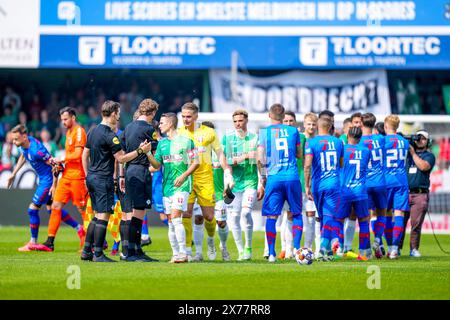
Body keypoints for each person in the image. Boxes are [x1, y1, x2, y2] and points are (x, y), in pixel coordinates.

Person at [81, 100, 152, 262]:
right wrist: (140, 150)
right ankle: (98, 254)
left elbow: (85, 155)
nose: (119, 117)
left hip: (91, 177)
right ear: (113, 114)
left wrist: (87, 174)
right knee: (104, 215)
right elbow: (121, 158)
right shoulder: (109, 135)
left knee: (96, 215)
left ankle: (87, 251)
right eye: (118, 114)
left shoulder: (92, 131)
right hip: (103, 178)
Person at [7, 125, 82, 251]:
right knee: (52, 210)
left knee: (32, 209)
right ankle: (79, 229)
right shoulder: (25, 144)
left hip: (47, 182)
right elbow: (23, 155)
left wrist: (54, 185)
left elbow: (55, 165)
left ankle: (33, 242)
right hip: (44, 180)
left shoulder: (37, 151)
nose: (14, 142)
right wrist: (13, 174)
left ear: (24, 137)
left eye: (16, 139)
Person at [178, 102, 234, 262]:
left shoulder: (208, 132)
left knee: (209, 217)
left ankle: (210, 240)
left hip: (205, 179)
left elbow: (220, 153)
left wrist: (227, 171)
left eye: (188, 116)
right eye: (183, 116)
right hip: (187, 178)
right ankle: (187, 251)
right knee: (186, 213)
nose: (185, 119)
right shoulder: (179, 133)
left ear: (196, 116)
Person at [257, 103, 303, 263]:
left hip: (274, 178)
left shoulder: (264, 132)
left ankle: (271, 253)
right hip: (292, 177)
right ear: (284, 117)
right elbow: (299, 154)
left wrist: (263, 179)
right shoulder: (293, 131)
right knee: (296, 213)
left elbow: (260, 158)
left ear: (269, 115)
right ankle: (297, 249)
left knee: (271, 216)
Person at [152, 113, 199, 263]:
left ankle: (184, 253)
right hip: (167, 188)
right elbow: (157, 165)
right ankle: (175, 253)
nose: (159, 125)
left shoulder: (187, 142)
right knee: (171, 222)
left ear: (171, 124)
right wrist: (146, 153)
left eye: (162, 122)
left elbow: (196, 162)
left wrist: (184, 175)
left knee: (176, 218)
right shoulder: (162, 144)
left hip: (183, 186)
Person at [40, 107, 88, 252]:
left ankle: (89, 241)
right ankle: (50, 242)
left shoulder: (79, 131)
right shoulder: (68, 132)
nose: (63, 122)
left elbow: (79, 154)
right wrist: (61, 164)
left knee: (82, 209)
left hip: (78, 176)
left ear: (73, 118)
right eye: (62, 120)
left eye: (65, 119)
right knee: (55, 206)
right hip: (67, 175)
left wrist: (61, 159)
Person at [119, 98, 159, 262]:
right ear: (152, 113)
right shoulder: (150, 129)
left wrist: (121, 175)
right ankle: (135, 252)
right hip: (141, 171)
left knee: (128, 213)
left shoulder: (128, 127)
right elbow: (154, 157)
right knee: (138, 214)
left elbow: (121, 154)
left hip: (128, 172)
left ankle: (128, 251)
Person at [304, 116, 344, 261]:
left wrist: (307, 186)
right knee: (327, 217)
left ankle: (325, 250)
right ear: (330, 127)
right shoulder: (339, 142)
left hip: (317, 185)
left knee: (323, 218)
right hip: (333, 184)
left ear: (318, 127)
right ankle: (323, 248)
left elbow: (307, 165)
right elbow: (341, 164)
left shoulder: (311, 143)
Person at [221, 110, 259, 261]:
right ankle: (241, 250)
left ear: (246, 121)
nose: (238, 124)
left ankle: (248, 246)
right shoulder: (228, 138)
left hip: (250, 181)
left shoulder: (255, 138)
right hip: (234, 184)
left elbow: (260, 161)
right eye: (235, 121)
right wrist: (227, 181)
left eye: (240, 121)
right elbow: (225, 161)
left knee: (245, 213)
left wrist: (262, 181)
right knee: (234, 217)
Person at [333, 127, 372, 260]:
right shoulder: (366, 151)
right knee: (363, 222)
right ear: (360, 138)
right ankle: (364, 252)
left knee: (339, 220)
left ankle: (339, 250)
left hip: (345, 191)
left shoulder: (342, 150)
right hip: (360, 191)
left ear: (347, 135)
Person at [400, 130, 436, 257]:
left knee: (415, 225)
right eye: (418, 137)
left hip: (420, 194)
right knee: (400, 223)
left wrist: (413, 153)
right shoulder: (406, 154)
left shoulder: (429, 156)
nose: (420, 140)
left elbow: (423, 167)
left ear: (428, 141)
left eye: (423, 138)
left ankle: (413, 249)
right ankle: (396, 248)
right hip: (404, 193)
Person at [360, 113, 388, 259]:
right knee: (382, 213)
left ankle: (370, 247)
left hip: (365, 183)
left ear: (361, 124)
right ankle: (378, 240)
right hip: (381, 182)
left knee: (368, 215)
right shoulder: (381, 139)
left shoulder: (359, 142)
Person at [202, 121, 231, 261]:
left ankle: (224, 246)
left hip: (219, 193)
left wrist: (228, 186)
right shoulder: (196, 149)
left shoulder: (221, 150)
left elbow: (228, 168)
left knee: (221, 222)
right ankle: (210, 242)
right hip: (202, 191)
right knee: (199, 219)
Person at [384, 115, 410, 259]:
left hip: (387, 180)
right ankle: (394, 249)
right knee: (399, 214)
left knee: (386, 213)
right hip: (401, 180)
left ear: (386, 126)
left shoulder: (383, 141)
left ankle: (388, 246)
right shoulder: (404, 142)